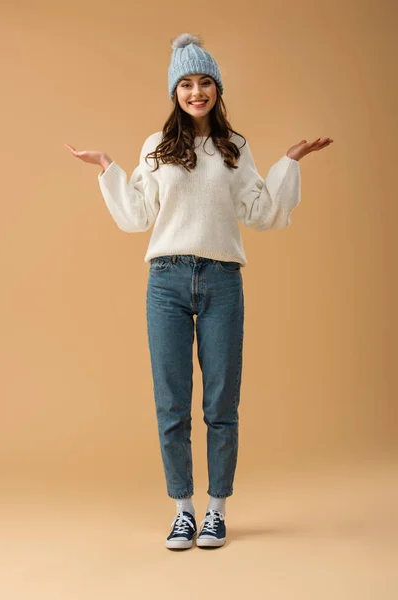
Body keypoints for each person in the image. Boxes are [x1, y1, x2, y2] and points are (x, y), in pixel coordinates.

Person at [64, 32, 333, 551]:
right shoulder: (156, 147)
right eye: (185, 84)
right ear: (175, 92)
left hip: (221, 280)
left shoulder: (234, 148)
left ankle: (216, 511)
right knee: (171, 403)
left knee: (220, 402)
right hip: (164, 280)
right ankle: (183, 510)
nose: (196, 92)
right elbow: (139, 214)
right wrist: (107, 169)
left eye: (204, 82)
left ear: (217, 89)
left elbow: (261, 212)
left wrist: (290, 161)